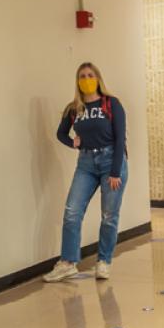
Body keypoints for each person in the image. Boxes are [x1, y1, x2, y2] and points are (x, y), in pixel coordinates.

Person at [43, 63, 129, 282]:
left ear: (98, 78)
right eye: (82, 76)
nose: (86, 78)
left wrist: (115, 171)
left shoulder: (111, 103)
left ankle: (104, 262)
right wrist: (73, 142)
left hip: (111, 161)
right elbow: (61, 133)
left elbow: (121, 139)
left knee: (109, 215)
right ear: (77, 81)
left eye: (90, 75)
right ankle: (68, 263)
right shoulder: (75, 108)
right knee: (72, 211)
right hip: (86, 163)